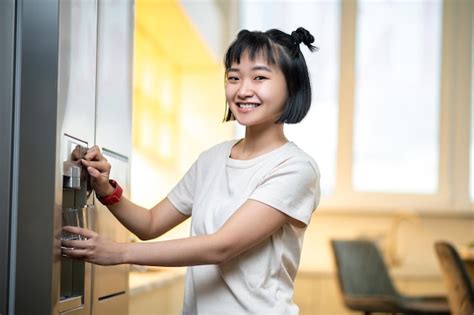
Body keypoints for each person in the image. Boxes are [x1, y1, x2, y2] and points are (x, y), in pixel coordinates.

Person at [62, 27, 321, 314]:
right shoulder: (212, 159)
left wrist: (120, 252)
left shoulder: (296, 168)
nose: (243, 89)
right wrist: (105, 189)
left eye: (259, 77)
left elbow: (220, 247)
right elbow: (149, 224)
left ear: (292, 86)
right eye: (234, 77)